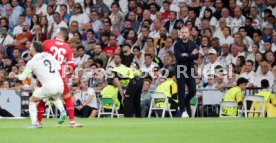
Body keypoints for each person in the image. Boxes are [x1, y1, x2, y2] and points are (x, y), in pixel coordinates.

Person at [11, 42, 67, 128]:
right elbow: (59, 67)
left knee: (32, 100)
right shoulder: (48, 55)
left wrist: (14, 75)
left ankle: (34, 123)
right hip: (60, 84)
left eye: (31, 47)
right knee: (55, 97)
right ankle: (63, 112)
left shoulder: (31, 62)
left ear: (34, 49)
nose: (29, 48)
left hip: (49, 86)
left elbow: (22, 77)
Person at [38, 27, 82, 128]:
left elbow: (39, 58)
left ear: (58, 33)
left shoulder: (47, 43)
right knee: (67, 98)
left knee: (42, 99)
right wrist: (66, 76)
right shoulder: (67, 47)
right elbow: (71, 65)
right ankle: (72, 122)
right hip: (59, 77)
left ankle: (39, 123)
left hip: (46, 75)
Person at [174, 26, 199, 117]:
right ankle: (183, 109)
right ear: (180, 34)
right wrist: (190, 55)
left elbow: (196, 56)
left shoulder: (193, 43)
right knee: (181, 89)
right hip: (180, 68)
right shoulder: (177, 44)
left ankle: (184, 102)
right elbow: (178, 57)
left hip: (190, 68)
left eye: (185, 32)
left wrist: (186, 54)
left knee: (193, 89)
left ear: (188, 34)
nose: (184, 34)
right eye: (182, 32)